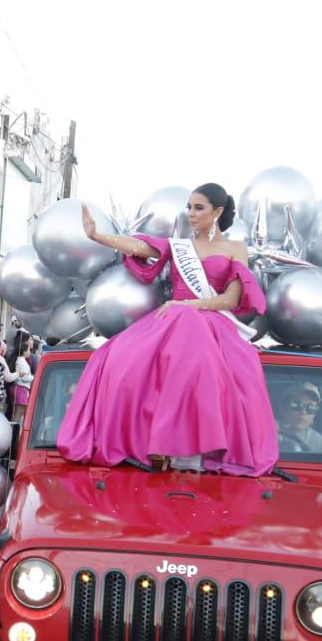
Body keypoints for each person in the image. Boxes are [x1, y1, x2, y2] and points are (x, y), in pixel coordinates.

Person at [56, 187, 277, 476]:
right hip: (174, 321)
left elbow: (231, 300)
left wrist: (188, 305)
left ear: (218, 212)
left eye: (199, 207)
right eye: (189, 207)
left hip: (210, 322)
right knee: (114, 357)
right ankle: (152, 441)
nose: (191, 213)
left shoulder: (236, 249)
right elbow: (138, 247)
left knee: (208, 347)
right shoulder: (179, 246)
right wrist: (97, 236)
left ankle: (196, 446)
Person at [274, 380, 322, 454]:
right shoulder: (268, 432)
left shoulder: (318, 441)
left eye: (311, 408)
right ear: (283, 407)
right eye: (296, 405)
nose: (303, 412)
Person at [9, 334, 34, 422]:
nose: (29, 352)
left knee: (19, 413)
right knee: (18, 413)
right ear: (24, 352)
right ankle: (13, 432)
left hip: (19, 388)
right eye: (28, 350)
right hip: (21, 389)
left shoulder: (19, 360)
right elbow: (24, 377)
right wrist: (33, 377)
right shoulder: (22, 361)